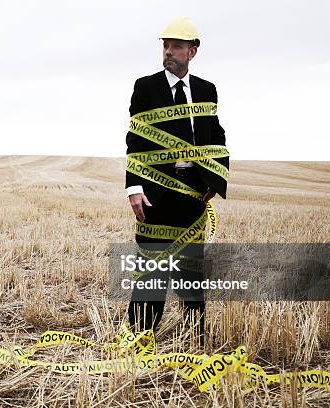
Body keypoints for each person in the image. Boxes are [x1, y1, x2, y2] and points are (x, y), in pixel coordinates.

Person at [124, 17, 229, 346]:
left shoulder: (206, 90)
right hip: (156, 194)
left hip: (193, 195)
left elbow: (216, 136)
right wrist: (134, 187)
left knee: (191, 272)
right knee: (152, 269)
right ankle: (140, 338)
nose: (169, 52)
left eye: (177, 46)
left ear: (192, 52)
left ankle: (196, 339)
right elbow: (136, 140)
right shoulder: (146, 87)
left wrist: (216, 178)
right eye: (165, 45)